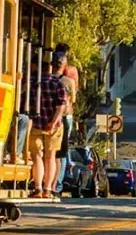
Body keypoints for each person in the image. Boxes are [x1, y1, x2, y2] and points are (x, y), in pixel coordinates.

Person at [29, 54, 67, 199]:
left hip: (36, 124)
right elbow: (61, 106)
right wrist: (53, 121)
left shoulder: (33, 83)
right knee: (50, 157)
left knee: (37, 156)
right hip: (54, 126)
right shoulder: (57, 83)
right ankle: (48, 189)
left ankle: (38, 188)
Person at [51, 52, 78, 196]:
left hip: (46, 116)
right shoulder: (69, 82)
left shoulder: (45, 80)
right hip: (64, 116)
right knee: (60, 154)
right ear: (64, 65)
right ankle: (57, 185)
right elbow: (72, 99)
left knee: (47, 153)